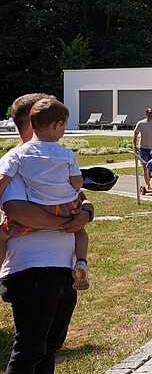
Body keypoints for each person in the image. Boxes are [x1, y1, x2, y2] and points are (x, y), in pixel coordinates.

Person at [0, 94, 92, 374]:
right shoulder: (17, 162)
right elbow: (17, 210)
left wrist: (85, 213)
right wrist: (68, 222)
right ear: (30, 122)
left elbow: (80, 196)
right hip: (32, 267)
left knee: (49, 345)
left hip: (60, 266)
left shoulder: (48, 160)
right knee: (29, 348)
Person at [0, 98, 91, 293]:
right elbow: (77, 185)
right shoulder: (66, 154)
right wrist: (74, 218)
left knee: (1, 235)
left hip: (41, 207)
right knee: (80, 230)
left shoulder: (18, 155)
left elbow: (2, 181)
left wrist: (88, 211)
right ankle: (82, 262)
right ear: (57, 125)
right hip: (66, 209)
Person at [133, 108, 152, 187]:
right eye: (150, 113)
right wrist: (135, 146)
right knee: (146, 167)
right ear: (146, 114)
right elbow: (135, 134)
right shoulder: (141, 123)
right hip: (144, 148)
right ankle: (147, 184)